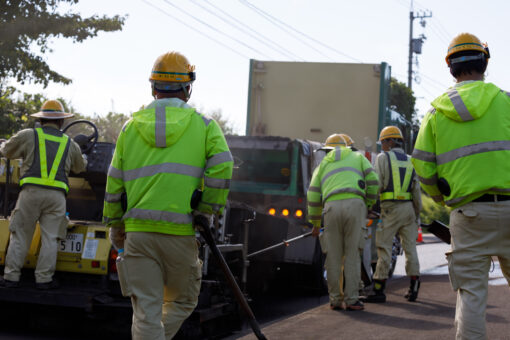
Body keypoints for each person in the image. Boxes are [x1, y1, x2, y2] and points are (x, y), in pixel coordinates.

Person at [103, 51, 233, 339]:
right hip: (180, 234)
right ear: (188, 88)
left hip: (138, 234)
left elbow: (114, 183)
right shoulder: (205, 126)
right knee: (183, 300)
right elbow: (223, 166)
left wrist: (116, 227)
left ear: (153, 88)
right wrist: (207, 209)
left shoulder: (129, 127)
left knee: (146, 310)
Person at [411, 32, 510, 339]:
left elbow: (423, 165)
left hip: (467, 214)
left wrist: (443, 198)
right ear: (485, 61)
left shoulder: (436, 114)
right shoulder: (506, 102)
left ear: (450, 66)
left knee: (471, 297)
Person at [0, 100, 87, 289]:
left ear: (40, 120)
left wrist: (5, 144)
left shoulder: (28, 135)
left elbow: (6, 151)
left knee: (20, 234)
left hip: (30, 194)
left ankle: (11, 277)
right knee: (51, 238)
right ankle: (44, 279)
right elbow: (80, 168)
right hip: (57, 198)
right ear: (61, 122)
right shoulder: (70, 144)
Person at [307, 133, 379, 311]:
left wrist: (316, 224)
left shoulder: (322, 165)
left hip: (330, 208)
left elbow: (313, 195)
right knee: (352, 254)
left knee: (333, 257)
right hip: (355, 206)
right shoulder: (357, 157)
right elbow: (373, 182)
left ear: (327, 150)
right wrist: (368, 204)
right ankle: (352, 299)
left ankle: (335, 300)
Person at [365, 126, 421, 303]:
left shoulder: (383, 158)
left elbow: (377, 185)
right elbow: (417, 192)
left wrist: (369, 205)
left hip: (390, 209)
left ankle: (379, 290)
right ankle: (414, 288)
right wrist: (417, 215)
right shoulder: (412, 161)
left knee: (384, 248)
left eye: (383, 142)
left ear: (390, 141)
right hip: (409, 210)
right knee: (410, 248)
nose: (382, 146)